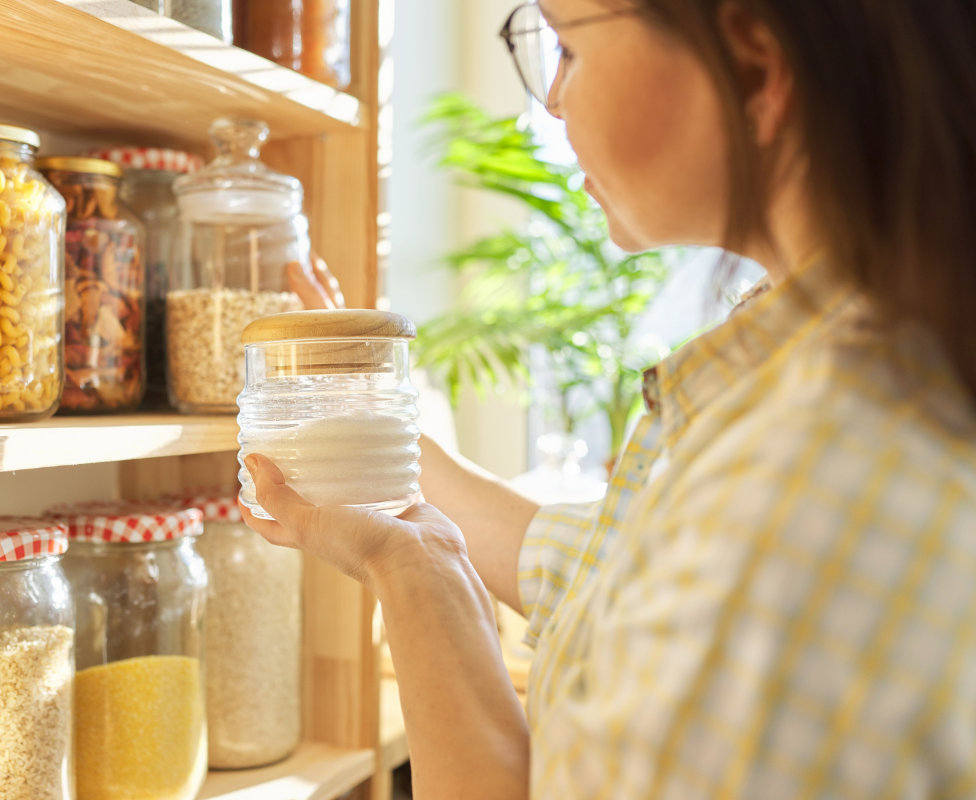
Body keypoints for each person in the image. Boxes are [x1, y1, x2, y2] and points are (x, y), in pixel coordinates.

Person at [250, 1, 976, 797]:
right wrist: (374, 430)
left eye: (566, 46)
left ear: (755, 71)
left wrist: (411, 570)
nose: (552, 96)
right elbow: (598, 567)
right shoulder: (824, 363)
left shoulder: (812, 473)